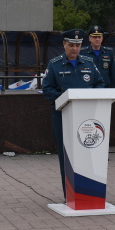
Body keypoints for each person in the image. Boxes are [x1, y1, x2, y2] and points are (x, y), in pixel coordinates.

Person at [41, 29, 105, 196]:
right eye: (71, 45)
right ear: (64, 45)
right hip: (63, 116)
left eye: (77, 45)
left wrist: (92, 96)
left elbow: (100, 84)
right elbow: (47, 88)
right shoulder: (54, 65)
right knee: (67, 156)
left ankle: (89, 192)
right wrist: (66, 99)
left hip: (87, 117)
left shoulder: (89, 63)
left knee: (88, 152)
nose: (75, 49)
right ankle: (69, 194)